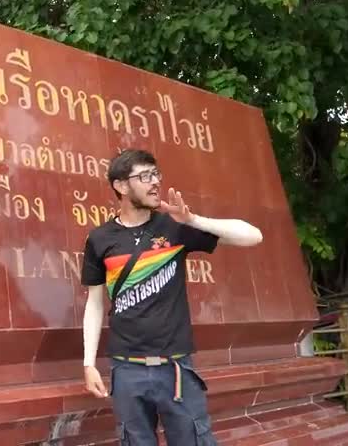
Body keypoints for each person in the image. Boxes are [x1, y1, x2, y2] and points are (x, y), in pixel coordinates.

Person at [80, 149, 263, 445]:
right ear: (121, 186)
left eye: (156, 175)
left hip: (176, 368)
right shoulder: (100, 239)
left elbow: (253, 236)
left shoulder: (174, 227)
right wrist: (89, 363)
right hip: (126, 370)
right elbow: (94, 302)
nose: (155, 183)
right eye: (144, 176)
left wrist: (193, 219)